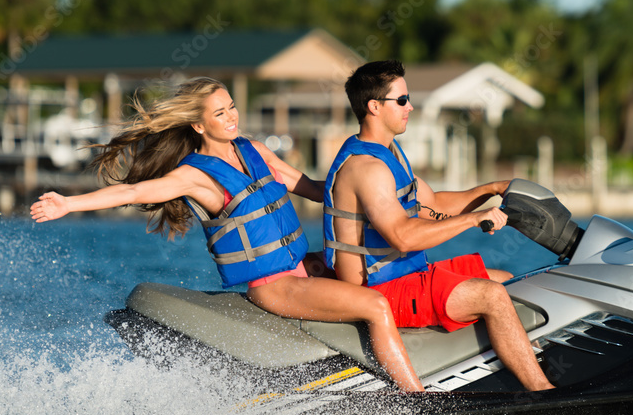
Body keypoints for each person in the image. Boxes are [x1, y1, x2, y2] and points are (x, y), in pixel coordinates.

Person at [30, 77, 426, 392]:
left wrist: (384, 198)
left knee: (375, 268)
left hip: (306, 267)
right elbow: (134, 192)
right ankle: (416, 403)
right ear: (199, 124)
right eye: (220, 113)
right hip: (275, 285)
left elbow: (317, 188)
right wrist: (69, 204)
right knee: (375, 305)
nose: (232, 116)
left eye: (232, 106)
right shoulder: (196, 175)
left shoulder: (253, 150)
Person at [323, 60, 555, 392]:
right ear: (374, 106)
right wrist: (473, 219)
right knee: (492, 295)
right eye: (401, 100)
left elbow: (434, 206)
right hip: (381, 289)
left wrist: (490, 190)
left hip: (407, 275)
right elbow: (402, 236)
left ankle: (501, 374)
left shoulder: (390, 153)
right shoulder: (366, 169)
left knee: (506, 279)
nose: (410, 107)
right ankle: (543, 395)